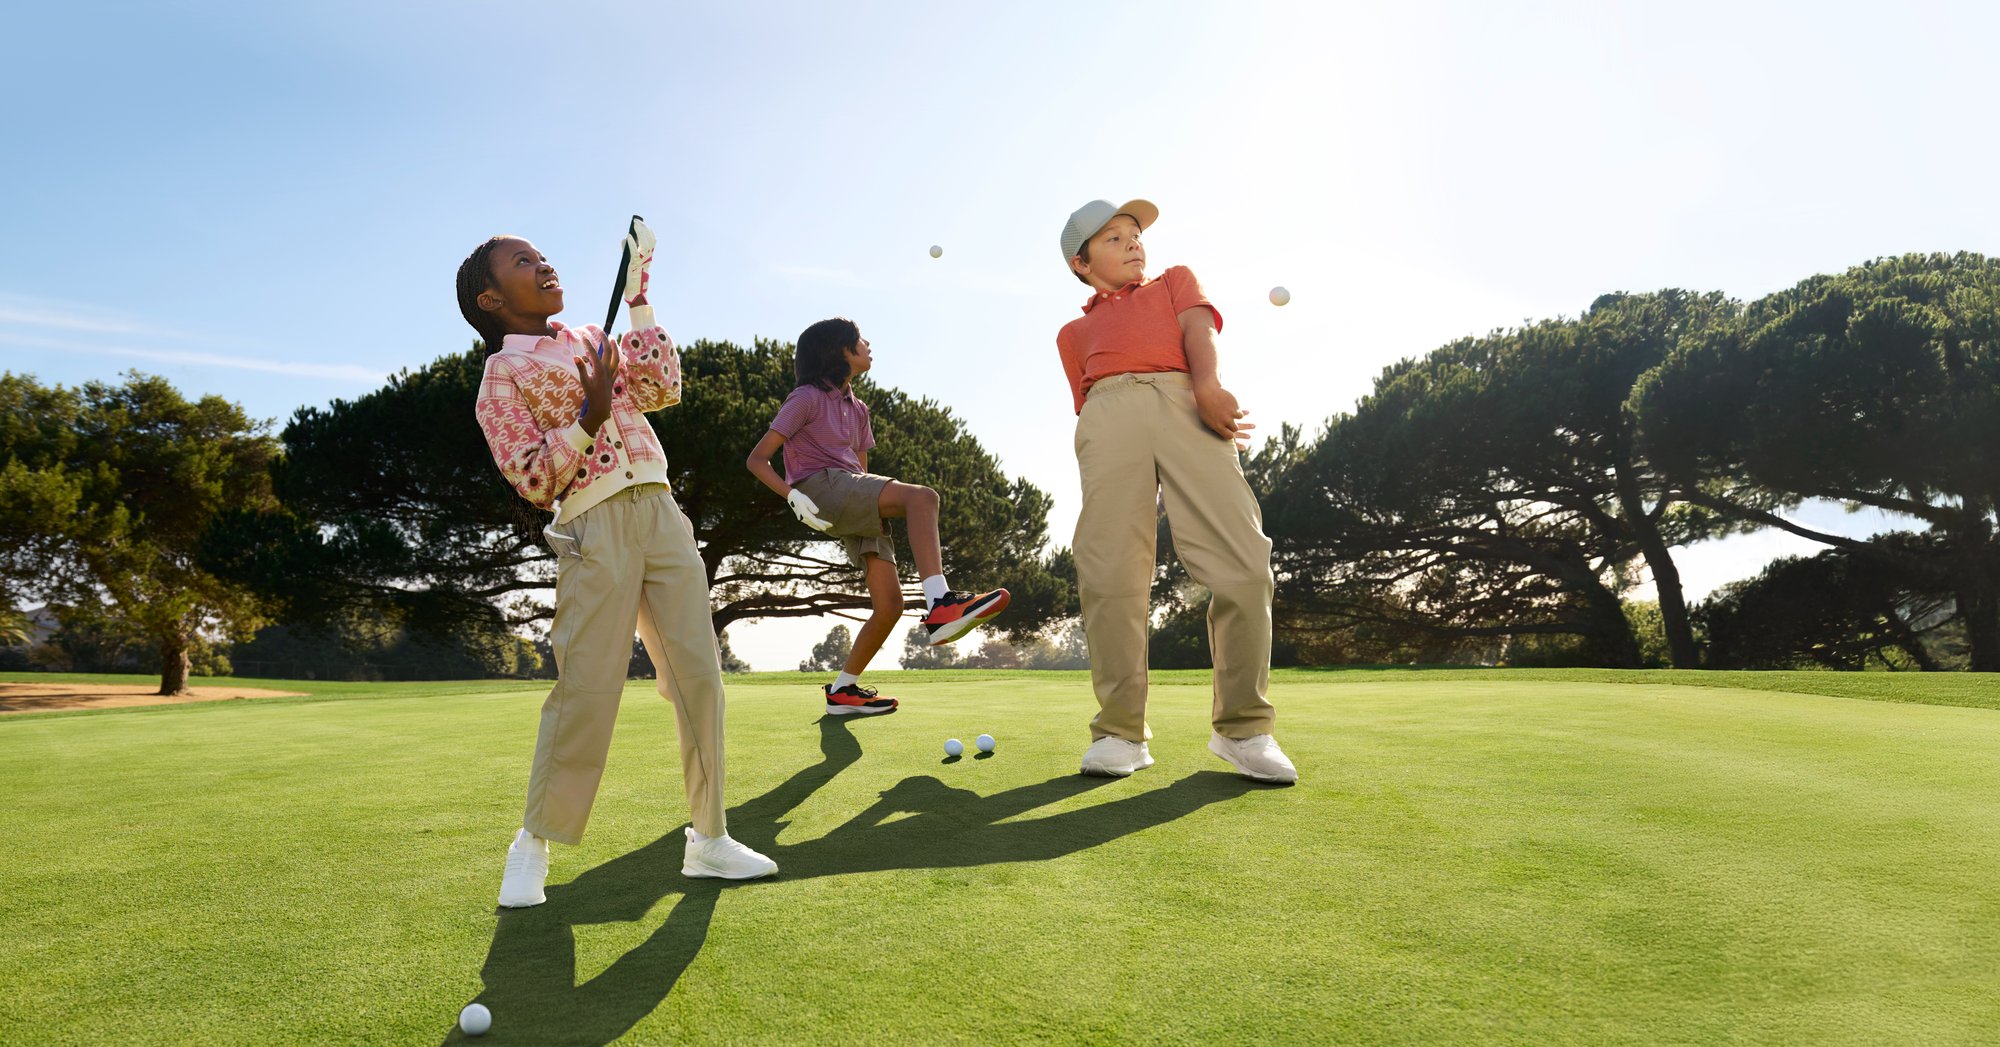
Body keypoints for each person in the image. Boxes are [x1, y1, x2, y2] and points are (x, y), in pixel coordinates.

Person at [457, 220, 776, 908]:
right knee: (588, 689)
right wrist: (588, 416)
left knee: (699, 678)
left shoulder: (592, 340)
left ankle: (710, 837)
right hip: (590, 525)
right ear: (490, 299)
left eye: (542, 255)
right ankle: (535, 840)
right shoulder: (499, 377)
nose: (543, 264)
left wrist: (639, 300)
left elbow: (663, 387)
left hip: (661, 510)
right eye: (522, 261)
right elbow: (534, 477)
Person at [1054, 198, 1298, 784]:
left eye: (1134, 234)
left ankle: (1243, 729)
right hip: (1108, 416)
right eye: (1112, 238)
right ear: (1081, 264)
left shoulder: (1175, 281)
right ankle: (1119, 732)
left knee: (1244, 564)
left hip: (1186, 400)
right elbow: (1084, 403)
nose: (1132, 243)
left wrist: (1209, 388)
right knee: (1110, 572)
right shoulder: (1072, 333)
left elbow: (1197, 331)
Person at [745, 317, 1009, 716]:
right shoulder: (806, 398)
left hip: (851, 491)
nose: (868, 344)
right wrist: (791, 495)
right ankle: (941, 604)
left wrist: (878, 507)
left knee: (890, 605)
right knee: (923, 498)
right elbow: (757, 459)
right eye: (860, 340)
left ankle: (842, 691)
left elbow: (864, 471)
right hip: (819, 489)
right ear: (841, 351)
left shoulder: (859, 408)